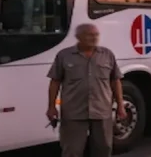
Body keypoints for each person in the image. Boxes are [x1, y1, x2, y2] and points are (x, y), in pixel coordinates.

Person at [46, 23, 127, 157]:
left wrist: (120, 106)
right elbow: (55, 82)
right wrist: (51, 107)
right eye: (90, 35)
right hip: (74, 112)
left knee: (104, 148)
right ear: (79, 37)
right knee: (72, 150)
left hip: (101, 111)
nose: (94, 38)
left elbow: (115, 81)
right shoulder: (64, 55)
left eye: (96, 35)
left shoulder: (107, 54)